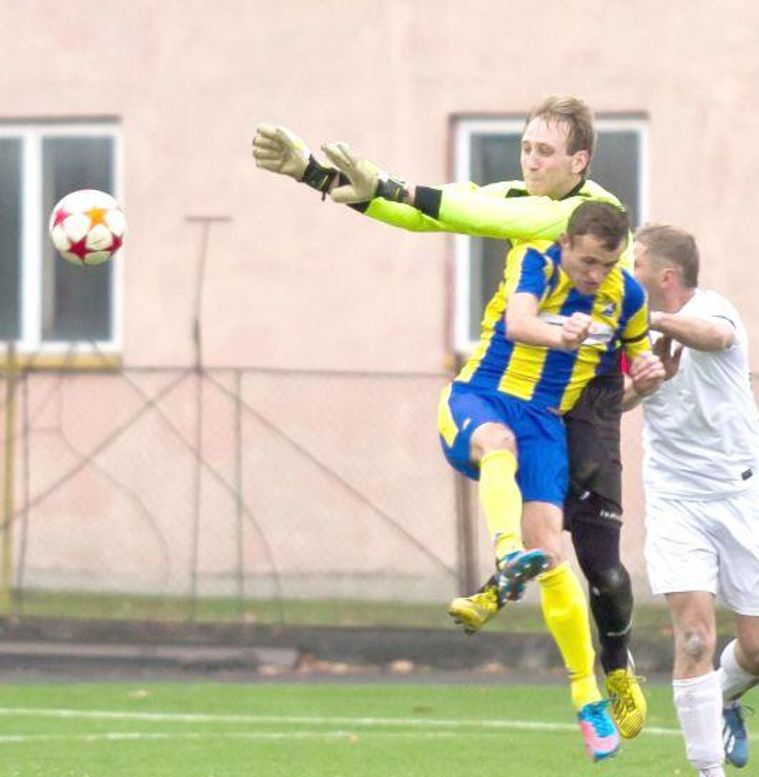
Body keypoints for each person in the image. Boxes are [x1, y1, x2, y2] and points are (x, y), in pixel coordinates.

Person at [252, 96, 649, 739]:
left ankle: (616, 664)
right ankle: (531, 610)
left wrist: (388, 181)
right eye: (525, 147)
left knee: (599, 560)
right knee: (547, 541)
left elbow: (475, 212)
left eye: (544, 151)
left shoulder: (582, 215)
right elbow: (429, 215)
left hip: (589, 391)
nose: (530, 159)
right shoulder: (527, 204)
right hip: (525, 388)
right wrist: (317, 177)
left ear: (579, 161)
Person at [446, 201, 663, 759]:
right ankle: (504, 553)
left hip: (546, 424)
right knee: (499, 444)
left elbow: (635, 361)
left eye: (606, 265)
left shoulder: (628, 297)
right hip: (483, 396)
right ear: (567, 243)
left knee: (552, 552)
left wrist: (647, 371)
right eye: (587, 261)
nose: (594, 275)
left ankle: (587, 698)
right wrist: (559, 332)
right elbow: (518, 323)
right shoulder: (537, 261)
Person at [627, 224, 759, 777]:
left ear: (665, 277)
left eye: (633, 262)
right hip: (674, 500)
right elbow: (609, 402)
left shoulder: (711, 309)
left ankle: (728, 698)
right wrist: (640, 385)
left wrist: (658, 326)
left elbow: (715, 337)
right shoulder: (628, 332)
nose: (623, 269)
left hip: (740, 497)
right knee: (693, 637)